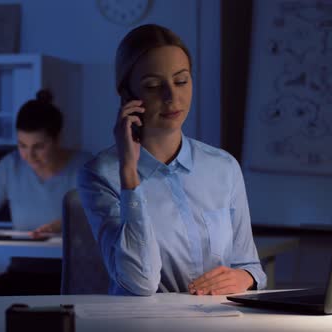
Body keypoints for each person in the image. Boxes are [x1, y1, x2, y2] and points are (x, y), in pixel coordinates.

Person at [77, 24, 266, 296]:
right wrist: (129, 174)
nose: (172, 97)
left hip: (218, 321)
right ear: (128, 95)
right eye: (153, 86)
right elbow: (139, 283)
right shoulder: (100, 174)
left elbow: (251, 266)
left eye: (181, 81)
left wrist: (243, 277)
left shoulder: (223, 167)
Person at [0, 89, 91, 296]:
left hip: (69, 276)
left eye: (39, 146)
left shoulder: (84, 168)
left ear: (57, 139)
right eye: (22, 145)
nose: (29, 156)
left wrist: (70, 223)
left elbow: (105, 223)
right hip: (22, 272)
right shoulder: (11, 166)